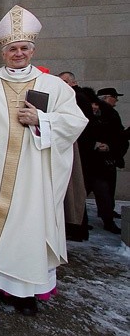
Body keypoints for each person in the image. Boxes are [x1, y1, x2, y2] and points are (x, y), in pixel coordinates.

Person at [0, 7, 88, 316]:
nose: (18, 53)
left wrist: (42, 120)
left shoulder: (54, 87)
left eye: (23, 48)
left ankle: (26, 293)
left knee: (28, 232)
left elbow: (75, 123)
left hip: (33, 178)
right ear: (3, 52)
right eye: (12, 49)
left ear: (32, 50)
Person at [57, 71, 94, 241]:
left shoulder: (76, 97)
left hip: (74, 147)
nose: (62, 84)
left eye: (65, 81)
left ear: (73, 82)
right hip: (72, 146)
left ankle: (78, 228)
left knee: (74, 191)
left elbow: (79, 122)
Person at [85, 87, 126, 233]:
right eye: (114, 97)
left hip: (102, 163)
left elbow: (117, 136)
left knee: (104, 193)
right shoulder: (89, 116)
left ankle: (107, 219)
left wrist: (110, 148)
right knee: (94, 192)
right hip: (90, 163)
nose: (116, 101)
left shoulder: (110, 115)